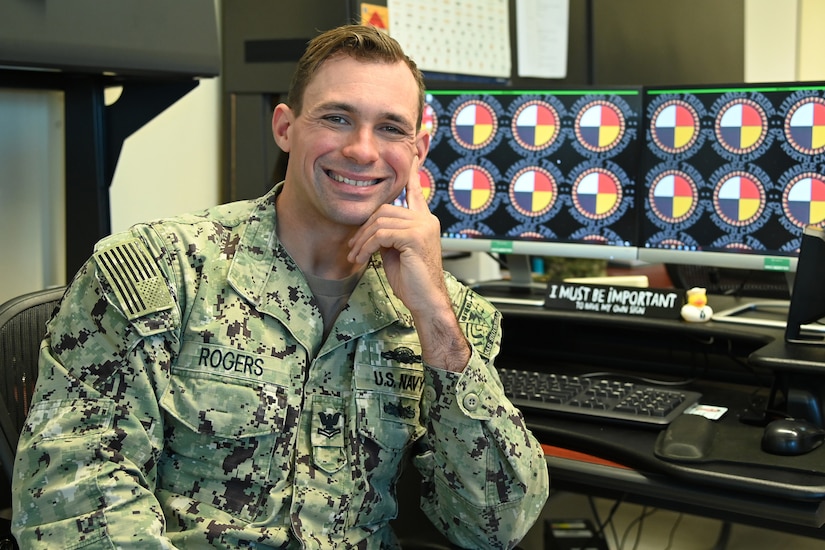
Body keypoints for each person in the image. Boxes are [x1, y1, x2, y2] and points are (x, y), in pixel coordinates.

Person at [12, 24, 549, 549]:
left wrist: (434, 317)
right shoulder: (157, 271)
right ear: (286, 128)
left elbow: (495, 527)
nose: (363, 150)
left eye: (390, 128)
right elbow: (74, 497)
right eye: (337, 118)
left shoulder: (448, 312)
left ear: (418, 149)